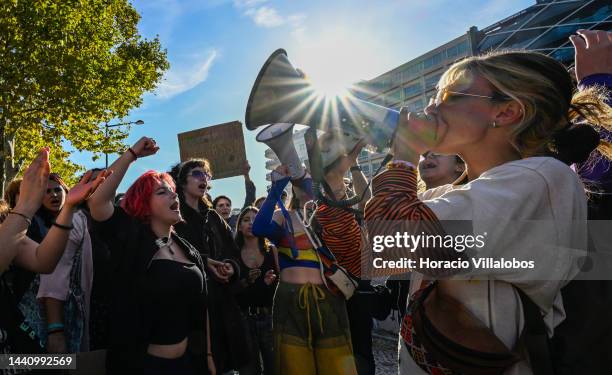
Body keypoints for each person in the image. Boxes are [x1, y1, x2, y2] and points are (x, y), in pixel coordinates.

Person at [365, 46, 611, 374]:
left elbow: (392, 240)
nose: (430, 106)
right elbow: (367, 253)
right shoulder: (450, 193)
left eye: (448, 95)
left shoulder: (541, 180)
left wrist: (405, 154)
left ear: (507, 112)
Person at [88, 137, 226, 374]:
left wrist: (208, 355)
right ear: (144, 203)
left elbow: (202, 309)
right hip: (145, 367)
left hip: (191, 365)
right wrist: (132, 154)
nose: (174, 196)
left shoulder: (187, 248)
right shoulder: (132, 239)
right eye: (163, 192)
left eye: (173, 192)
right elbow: (98, 200)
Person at [0, 148, 106, 356]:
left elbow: (43, 261)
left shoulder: (4, 222)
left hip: (12, 345)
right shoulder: (18, 218)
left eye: (57, 190)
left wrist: (68, 210)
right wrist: (27, 205)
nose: (52, 195)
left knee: (56, 366)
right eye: (46, 192)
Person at [253, 165, 357, 375]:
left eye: (309, 178)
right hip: (289, 299)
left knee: (336, 364)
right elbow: (259, 228)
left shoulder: (327, 214)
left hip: (328, 298)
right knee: (294, 365)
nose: (304, 182)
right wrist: (276, 188)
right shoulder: (283, 215)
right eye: (299, 179)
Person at [171, 158, 250, 373]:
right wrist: (204, 263)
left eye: (206, 174)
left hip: (221, 302)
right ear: (182, 181)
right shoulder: (173, 217)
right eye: (197, 174)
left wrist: (231, 268)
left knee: (226, 364)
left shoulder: (214, 217)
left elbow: (233, 253)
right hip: (192, 304)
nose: (204, 178)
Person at [235, 206, 278, 375]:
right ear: (239, 226)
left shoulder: (271, 250)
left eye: (255, 219)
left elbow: (280, 282)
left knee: (274, 367)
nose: (251, 223)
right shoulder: (234, 254)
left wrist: (270, 283)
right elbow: (232, 292)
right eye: (246, 219)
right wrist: (247, 282)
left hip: (269, 319)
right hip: (243, 320)